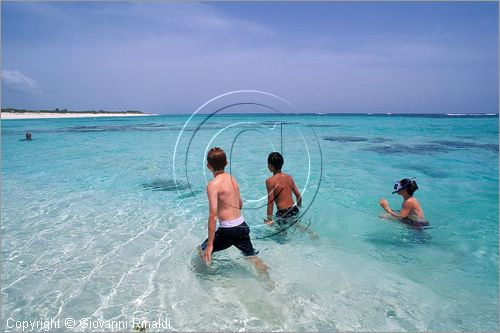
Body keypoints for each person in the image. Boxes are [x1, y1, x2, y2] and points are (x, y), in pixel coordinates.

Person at [198, 147, 269, 277]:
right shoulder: (232, 179)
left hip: (228, 230)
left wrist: (209, 245)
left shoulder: (212, 185)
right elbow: (240, 204)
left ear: (208, 166)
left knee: (202, 250)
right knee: (252, 257)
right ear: (226, 163)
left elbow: (213, 216)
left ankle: (208, 279)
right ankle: (268, 281)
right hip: (242, 226)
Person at [264, 152, 302, 226]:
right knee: (297, 225)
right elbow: (299, 196)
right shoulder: (289, 177)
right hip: (294, 210)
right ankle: (311, 233)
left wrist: (269, 220)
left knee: (281, 235)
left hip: (283, 213)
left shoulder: (270, 181)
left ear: (270, 166)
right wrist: (299, 208)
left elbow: (270, 202)